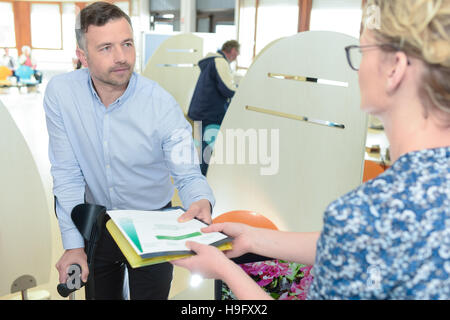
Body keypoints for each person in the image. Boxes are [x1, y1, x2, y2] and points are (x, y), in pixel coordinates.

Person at [172, 0, 450, 300]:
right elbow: (357, 243)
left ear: (394, 68)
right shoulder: (394, 209)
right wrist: (253, 238)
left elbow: (360, 236)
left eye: (362, 53)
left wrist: (226, 271)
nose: (355, 69)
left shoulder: (368, 212)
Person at [44, 1, 215, 300]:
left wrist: (200, 200)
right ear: (82, 56)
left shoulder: (160, 104)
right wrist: (73, 245)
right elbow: (67, 174)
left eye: (127, 44)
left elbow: (187, 173)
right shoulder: (61, 94)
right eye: (106, 48)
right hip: (99, 223)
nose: (122, 57)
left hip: (153, 225)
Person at [187, 40, 240, 176]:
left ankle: (196, 179)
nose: (238, 55)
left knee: (200, 149)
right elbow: (227, 89)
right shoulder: (220, 62)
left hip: (200, 111)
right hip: (209, 114)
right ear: (233, 50)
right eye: (238, 52)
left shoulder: (211, 61)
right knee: (206, 151)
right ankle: (202, 180)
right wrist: (240, 90)